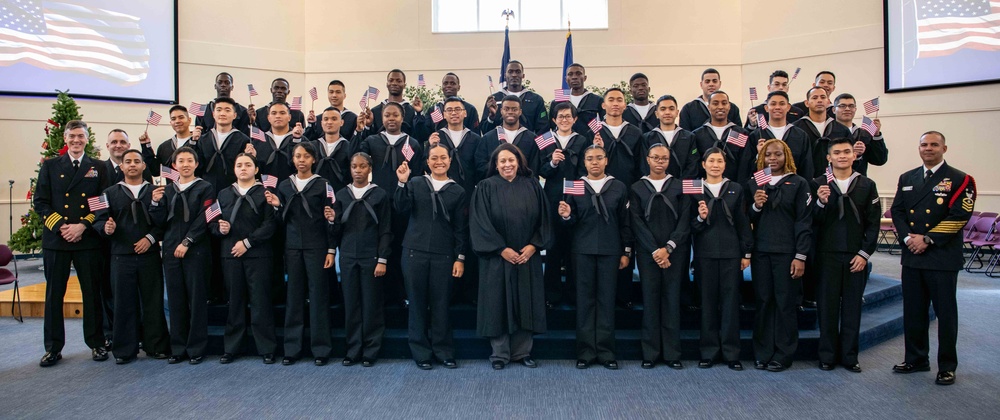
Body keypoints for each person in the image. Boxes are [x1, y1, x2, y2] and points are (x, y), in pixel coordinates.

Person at [890, 131, 976, 386]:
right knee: (913, 311)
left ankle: (947, 366)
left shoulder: (961, 179)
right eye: (924, 144)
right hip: (913, 256)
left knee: (945, 314)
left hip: (941, 256)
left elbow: (960, 216)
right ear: (918, 148)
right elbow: (898, 211)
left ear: (944, 148)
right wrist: (908, 238)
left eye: (934, 145)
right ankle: (916, 359)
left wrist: (926, 239)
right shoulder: (907, 177)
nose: (928, 149)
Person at [35, 120, 110, 367]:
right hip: (57, 240)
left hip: (86, 239)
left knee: (92, 294)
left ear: (87, 139)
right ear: (65, 139)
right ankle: (53, 347)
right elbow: (41, 202)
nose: (76, 140)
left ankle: (96, 343)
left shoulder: (98, 167)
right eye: (72, 136)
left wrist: (83, 226)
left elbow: (101, 202)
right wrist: (61, 227)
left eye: (80, 136)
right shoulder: (50, 166)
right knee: (54, 295)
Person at [471, 144, 552, 370]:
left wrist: (534, 246)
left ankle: (522, 352)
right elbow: (480, 224)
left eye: (511, 160)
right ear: (495, 165)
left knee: (525, 301)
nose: (507, 165)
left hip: (527, 256)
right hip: (497, 259)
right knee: (497, 303)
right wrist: (501, 249)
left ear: (519, 162)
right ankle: (500, 353)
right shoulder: (485, 187)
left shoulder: (532, 185)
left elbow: (544, 220)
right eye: (503, 161)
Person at [557, 146, 631, 370]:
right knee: (585, 301)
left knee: (606, 301)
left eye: (599, 157)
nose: (595, 162)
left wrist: (626, 251)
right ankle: (586, 352)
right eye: (589, 159)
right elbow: (570, 223)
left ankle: (607, 352)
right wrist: (567, 216)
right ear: (584, 162)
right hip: (583, 250)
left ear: (606, 160)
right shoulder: (576, 186)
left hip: (610, 250)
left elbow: (625, 222)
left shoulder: (618, 186)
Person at [93, 149, 170, 364]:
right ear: (122, 166)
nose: (133, 165)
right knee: (123, 303)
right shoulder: (107, 193)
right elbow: (97, 221)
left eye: (137, 161)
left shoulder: (157, 191)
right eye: (128, 162)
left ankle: (156, 345)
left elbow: (165, 223)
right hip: (120, 256)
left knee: (153, 302)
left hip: (150, 254)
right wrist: (105, 228)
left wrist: (151, 239)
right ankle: (124, 349)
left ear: (144, 166)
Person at [263, 142, 336, 366]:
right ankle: (292, 349)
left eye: (306, 156)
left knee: (318, 297)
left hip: (317, 247)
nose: (301, 160)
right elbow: (278, 223)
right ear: (292, 160)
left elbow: (330, 219)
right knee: (293, 297)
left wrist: (331, 248)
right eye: (297, 156)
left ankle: (321, 349)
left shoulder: (323, 184)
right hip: (292, 247)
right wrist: (276, 206)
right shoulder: (285, 186)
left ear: (314, 159)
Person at [394, 146, 467, 369]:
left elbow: (460, 229)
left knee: (441, 304)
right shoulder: (416, 183)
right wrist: (402, 182)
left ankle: (443, 350)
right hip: (414, 252)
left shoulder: (458, 191)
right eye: (434, 158)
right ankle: (421, 353)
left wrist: (460, 257)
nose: (438, 161)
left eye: (443, 157)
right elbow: (400, 208)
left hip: (443, 255)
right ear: (427, 162)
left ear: (450, 161)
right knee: (416, 303)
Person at [812, 138, 881, 373]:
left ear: (854, 156)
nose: (842, 156)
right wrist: (820, 203)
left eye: (847, 152)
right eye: (837, 152)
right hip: (826, 254)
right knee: (827, 307)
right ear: (829, 158)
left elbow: (873, 223)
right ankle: (827, 355)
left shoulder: (867, 184)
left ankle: (850, 356)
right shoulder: (818, 183)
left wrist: (864, 253)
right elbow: (810, 222)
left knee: (852, 308)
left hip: (855, 255)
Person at [748, 139, 812, 372]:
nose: (773, 159)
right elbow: (746, 220)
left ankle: (783, 354)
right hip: (761, 252)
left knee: (785, 304)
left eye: (778, 154)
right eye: (768, 155)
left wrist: (801, 255)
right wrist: (755, 206)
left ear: (787, 156)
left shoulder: (798, 183)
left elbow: (804, 221)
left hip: (787, 253)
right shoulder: (756, 182)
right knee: (764, 302)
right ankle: (762, 352)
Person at [149, 146, 215, 365]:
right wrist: (155, 204)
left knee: (196, 300)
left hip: (196, 249)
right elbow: (160, 223)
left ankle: (196, 347)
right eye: (181, 161)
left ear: (196, 164)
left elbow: (205, 218)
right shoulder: (168, 190)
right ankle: (178, 347)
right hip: (170, 250)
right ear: (174, 166)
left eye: (190, 160)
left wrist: (187, 242)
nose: (185, 164)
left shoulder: (206, 187)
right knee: (175, 300)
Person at [211, 153, 279, 364]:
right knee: (235, 303)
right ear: (234, 169)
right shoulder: (222, 194)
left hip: (257, 255)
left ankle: (266, 348)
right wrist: (219, 229)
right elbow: (212, 222)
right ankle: (232, 348)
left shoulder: (266, 193)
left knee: (260, 302)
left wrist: (247, 243)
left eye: (248, 165)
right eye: (239, 164)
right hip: (230, 255)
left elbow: (270, 225)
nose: (243, 168)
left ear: (256, 169)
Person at [628, 144, 691, 369]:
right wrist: (655, 250)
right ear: (648, 159)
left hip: (675, 253)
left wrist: (669, 247)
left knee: (671, 301)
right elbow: (635, 222)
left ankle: (672, 354)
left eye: (664, 158)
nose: (660, 162)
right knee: (651, 300)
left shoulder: (680, 186)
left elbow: (685, 220)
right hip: (648, 254)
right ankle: (651, 353)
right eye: (656, 157)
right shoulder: (637, 187)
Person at [358, 102, 424, 308]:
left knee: (398, 249)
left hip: (401, 205)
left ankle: (400, 293)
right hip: (376, 203)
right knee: (376, 248)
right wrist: (363, 129)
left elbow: (417, 173)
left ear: (402, 118)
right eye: (387, 115)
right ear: (381, 118)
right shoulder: (371, 141)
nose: (391, 119)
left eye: (395, 115)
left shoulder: (411, 143)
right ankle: (377, 294)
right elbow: (357, 159)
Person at [691, 147, 752, 370]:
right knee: (707, 304)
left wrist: (746, 252)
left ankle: (731, 353)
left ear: (725, 165)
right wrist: (700, 217)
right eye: (711, 161)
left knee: (730, 304)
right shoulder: (694, 188)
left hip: (730, 253)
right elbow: (689, 225)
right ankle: (708, 352)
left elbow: (742, 221)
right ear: (703, 164)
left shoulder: (735, 188)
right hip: (704, 253)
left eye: (719, 161)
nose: (715, 165)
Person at [332, 153, 393, 367]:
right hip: (348, 256)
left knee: (371, 303)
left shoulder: (379, 195)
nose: (358, 170)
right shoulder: (342, 195)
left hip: (371, 256)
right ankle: (353, 349)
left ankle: (371, 349)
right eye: (354, 166)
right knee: (351, 303)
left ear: (370, 169)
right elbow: (336, 229)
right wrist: (332, 221)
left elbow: (385, 229)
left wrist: (382, 258)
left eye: (362, 166)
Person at [592, 88, 643, 308]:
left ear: (625, 105)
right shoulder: (594, 131)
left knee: (626, 237)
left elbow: (641, 165)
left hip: (628, 193)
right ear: (603, 105)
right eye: (610, 100)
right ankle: (599, 295)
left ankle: (624, 294)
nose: (615, 103)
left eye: (619, 100)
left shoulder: (635, 132)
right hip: (601, 194)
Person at [537, 102, 590, 305]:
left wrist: (573, 200)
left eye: (568, 116)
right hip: (551, 197)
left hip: (575, 198)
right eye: (560, 117)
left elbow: (584, 171)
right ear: (554, 120)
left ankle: (573, 293)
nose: (564, 120)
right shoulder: (544, 140)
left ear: (575, 119)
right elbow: (540, 169)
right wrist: (552, 162)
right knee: (553, 247)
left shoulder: (583, 140)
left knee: (573, 247)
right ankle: (551, 295)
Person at [743, 91, 813, 181]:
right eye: (773, 104)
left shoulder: (800, 135)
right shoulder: (756, 135)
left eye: (782, 104)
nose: (777, 107)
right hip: (764, 188)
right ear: (766, 108)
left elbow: (807, 167)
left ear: (788, 107)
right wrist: (759, 155)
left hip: (793, 188)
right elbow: (746, 168)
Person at [425, 96, 482, 199]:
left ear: (465, 113)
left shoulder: (475, 139)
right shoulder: (437, 137)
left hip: (468, 191)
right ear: (444, 115)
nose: (454, 113)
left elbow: (479, 167)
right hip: (442, 191)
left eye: (458, 109)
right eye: (449, 110)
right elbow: (425, 165)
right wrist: (431, 146)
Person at [693, 91, 751, 182]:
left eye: (724, 103)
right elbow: (694, 166)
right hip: (705, 189)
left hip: (734, 188)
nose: (720, 107)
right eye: (715, 103)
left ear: (729, 106)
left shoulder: (741, 134)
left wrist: (740, 188)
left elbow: (745, 163)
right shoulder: (697, 135)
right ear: (709, 107)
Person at [793, 87, 851, 178]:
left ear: (828, 102)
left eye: (823, 97)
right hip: (804, 182)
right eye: (815, 98)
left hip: (834, 183)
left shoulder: (842, 130)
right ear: (807, 103)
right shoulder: (795, 129)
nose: (819, 100)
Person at [475, 95, 539, 177]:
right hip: (495, 186)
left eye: (514, 109)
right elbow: (481, 166)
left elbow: (534, 168)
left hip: (523, 186)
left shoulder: (532, 139)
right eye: (506, 109)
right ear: (501, 111)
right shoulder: (488, 138)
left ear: (520, 112)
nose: (510, 112)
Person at [480, 60, 549, 134]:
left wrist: (531, 142)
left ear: (523, 76)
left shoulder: (536, 100)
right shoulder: (494, 99)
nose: (514, 75)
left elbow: (543, 128)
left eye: (518, 72)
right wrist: (491, 117)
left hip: (527, 143)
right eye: (510, 72)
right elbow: (484, 130)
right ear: (505, 75)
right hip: (500, 144)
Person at [642, 95, 699, 179]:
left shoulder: (689, 137)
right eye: (663, 109)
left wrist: (678, 185)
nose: (667, 112)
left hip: (682, 187)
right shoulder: (647, 138)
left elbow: (692, 166)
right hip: (656, 187)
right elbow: (644, 165)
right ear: (657, 114)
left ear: (677, 112)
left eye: (671, 109)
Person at [832, 93, 889, 176]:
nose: (847, 109)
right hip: (833, 182)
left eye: (851, 106)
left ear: (855, 109)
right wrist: (852, 152)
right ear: (834, 110)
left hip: (859, 182)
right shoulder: (827, 133)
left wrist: (876, 134)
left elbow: (879, 160)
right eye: (842, 106)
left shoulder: (863, 134)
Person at [247, 102, 303, 181]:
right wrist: (250, 157)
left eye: (282, 113)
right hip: (265, 189)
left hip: (291, 188)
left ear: (289, 117)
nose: (278, 116)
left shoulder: (301, 140)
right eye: (274, 113)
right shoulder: (258, 142)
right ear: (269, 118)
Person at [413, 73, 480, 134]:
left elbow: (475, 134)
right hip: (439, 146)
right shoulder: (433, 109)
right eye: (445, 83)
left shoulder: (470, 109)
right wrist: (419, 113)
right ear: (442, 87)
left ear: (458, 87)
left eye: (452, 83)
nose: (449, 86)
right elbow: (423, 134)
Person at [549, 63, 604, 135]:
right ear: (566, 79)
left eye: (578, 74)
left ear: (585, 78)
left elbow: (603, 125)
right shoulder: (557, 102)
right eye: (570, 74)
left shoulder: (597, 100)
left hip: (590, 143)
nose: (574, 77)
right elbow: (552, 126)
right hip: (565, 144)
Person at [141, 105, 195, 175]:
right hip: (172, 185)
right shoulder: (164, 147)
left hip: (197, 185)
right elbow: (155, 171)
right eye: (173, 119)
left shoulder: (200, 142)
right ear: (171, 123)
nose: (177, 121)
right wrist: (146, 146)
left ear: (189, 120)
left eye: (181, 117)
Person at [365, 69, 419, 136]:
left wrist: (419, 114)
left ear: (404, 85)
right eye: (391, 80)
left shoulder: (412, 111)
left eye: (398, 81)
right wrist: (367, 126)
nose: (394, 83)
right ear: (387, 84)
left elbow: (418, 136)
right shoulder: (375, 111)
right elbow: (368, 139)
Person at [311, 107, 353, 192]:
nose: (329, 122)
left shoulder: (349, 147)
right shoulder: (313, 146)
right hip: (315, 194)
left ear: (341, 122)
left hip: (341, 193)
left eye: (334, 119)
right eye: (326, 119)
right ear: (321, 123)